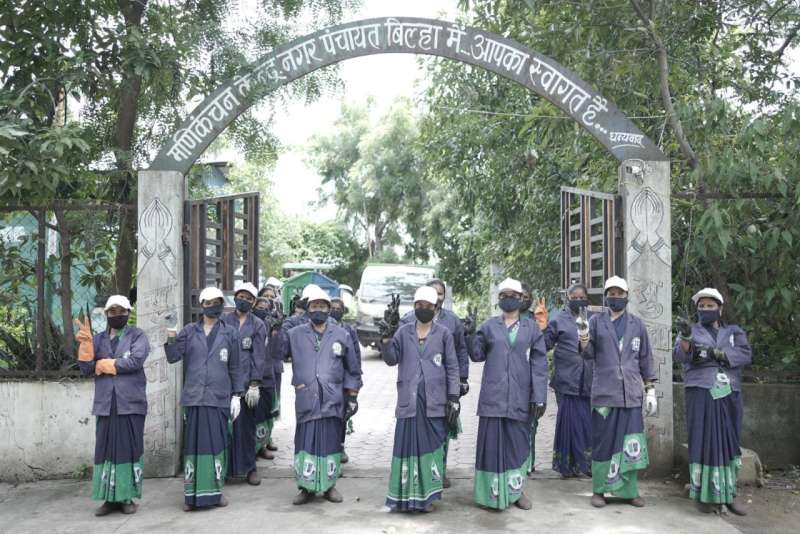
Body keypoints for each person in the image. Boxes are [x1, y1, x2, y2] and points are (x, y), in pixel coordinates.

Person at [466, 278, 547, 511]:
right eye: (503, 295)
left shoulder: (532, 328)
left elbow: (539, 364)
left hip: (520, 397)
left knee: (518, 446)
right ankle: (489, 494)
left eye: (513, 295)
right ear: (499, 299)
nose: (508, 299)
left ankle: (516, 491)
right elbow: (477, 355)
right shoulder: (489, 326)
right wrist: (469, 334)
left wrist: (539, 396)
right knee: (491, 448)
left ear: (521, 299)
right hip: (493, 398)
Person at [578, 276, 656, 508]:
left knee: (630, 443)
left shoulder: (636, 324)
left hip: (630, 394)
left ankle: (630, 492)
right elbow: (587, 354)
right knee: (603, 442)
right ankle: (599, 491)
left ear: (627, 296)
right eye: (611, 294)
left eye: (619, 293)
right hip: (605, 392)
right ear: (606, 297)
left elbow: (645, 358)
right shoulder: (595, 322)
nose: (615, 297)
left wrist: (650, 389)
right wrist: (583, 337)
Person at [165, 286, 245, 511]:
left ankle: (215, 493)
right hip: (194, 398)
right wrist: (171, 332)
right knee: (193, 448)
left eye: (217, 302)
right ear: (202, 305)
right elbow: (173, 357)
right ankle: (191, 497)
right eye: (209, 303)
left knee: (216, 446)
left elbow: (236, 366)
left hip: (218, 398)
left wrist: (237, 395)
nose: (213, 306)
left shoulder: (230, 332)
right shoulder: (189, 331)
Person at [673, 288, 751, 515]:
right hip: (701, 392)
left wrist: (718, 354)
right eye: (701, 306)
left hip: (730, 392)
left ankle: (729, 494)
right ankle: (703, 495)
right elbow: (681, 355)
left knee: (729, 442)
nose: (705, 309)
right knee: (703, 440)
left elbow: (745, 354)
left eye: (710, 306)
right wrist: (685, 337)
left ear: (720, 308)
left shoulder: (734, 331)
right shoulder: (691, 330)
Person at [381, 286, 460, 512]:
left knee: (432, 449)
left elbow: (452, 367)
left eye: (428, 306)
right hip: (409, 401)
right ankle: (405, 498)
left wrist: (453, 396)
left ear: (435, 308)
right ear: (414, 307)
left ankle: (427, 498)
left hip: (435, 402)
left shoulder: (444, 334)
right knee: (406, 448)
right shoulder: (403, 332)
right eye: (419, 305)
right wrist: (386, 338)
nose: (423, 309)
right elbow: (391, 359)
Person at [284, 286, 362, 505]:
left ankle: (329, 486)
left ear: (329, 309)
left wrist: (352, 396)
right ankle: (305, 488)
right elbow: (277, 353)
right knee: (305, 442)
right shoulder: (295, 333)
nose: (318, 309)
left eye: (322, 306)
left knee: (330, 442)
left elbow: (353, 368)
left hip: (332, 398)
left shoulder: (341, 334)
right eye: (314, 306)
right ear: (308, 309)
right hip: (306, 397)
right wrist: (276, 329)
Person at [76, 295, 149, 516]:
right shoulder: (98, 339)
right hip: (106, 404)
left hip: (130, 403)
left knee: (128, 449)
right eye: (112, 311)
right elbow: (86, 369)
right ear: (106, 314)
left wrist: (107, 364)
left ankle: (127, 497)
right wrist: (85, 347)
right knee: (105, 450)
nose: (117, 315)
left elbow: (135, 361)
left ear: (128, 312)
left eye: (121, 311)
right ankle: (108, 499)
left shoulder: (138, 335)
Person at [398, 279, 468, 488]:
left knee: (441, 431)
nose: (437, 296)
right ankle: (416, 476)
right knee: (416, 432)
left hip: (443, 386)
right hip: (414, 388)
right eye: (433, 292)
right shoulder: (407, 320)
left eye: (440, 293)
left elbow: (460, 351)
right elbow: (395, 350)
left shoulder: (452, 321)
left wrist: (462, 380)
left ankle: (439, 470)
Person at [543, 283, 593, 478]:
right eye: (574, 298)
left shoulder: (594, 319)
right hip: (566, 380)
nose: (578, 301)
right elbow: (545, 344)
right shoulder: (558, 320)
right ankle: (567, 466)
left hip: (588, 379)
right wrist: (542, 327)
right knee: (568, 423)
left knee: (586, 422)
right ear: (568, 299)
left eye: (582, 298)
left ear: (587, 299)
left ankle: (586, 464)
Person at [221, 282, 268, 486]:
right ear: (235, 297)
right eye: (241, 297)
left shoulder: (258, 325)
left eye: (249, 299)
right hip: (224, 383)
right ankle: (225, 469)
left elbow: (259, 356)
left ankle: (250, 469)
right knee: (224, 428)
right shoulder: (223, 320)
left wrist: (255, 384)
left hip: (247, 385)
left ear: (254, 302)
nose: (244, 301)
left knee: (246, 428)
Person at [330, 296, 362, 464]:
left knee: (343, 415)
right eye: (332, 308)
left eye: (338, 309)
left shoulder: (349, 330)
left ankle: (340, 446)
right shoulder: (324, 328)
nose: (335, 311)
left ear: (343, 311)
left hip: (345, 380)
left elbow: (356, 356)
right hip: (329, 379)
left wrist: (356, 383)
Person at [520, 281, 548, 474]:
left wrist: (544, 328)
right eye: (519, 296)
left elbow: (544, 350)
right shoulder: (503, 320)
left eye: (526, 297)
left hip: (531, 382)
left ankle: (528, 463)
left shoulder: (536, 318)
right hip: (511, 381)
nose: (522, 300)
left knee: (531, 425)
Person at [253, 296, 281, 460]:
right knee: (254, 414)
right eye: (260, 307)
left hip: (268, 375)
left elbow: (277, 350)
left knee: (266, 413)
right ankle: (254, 448)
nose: (262, 310)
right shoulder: (250, 324)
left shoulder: (271, 325)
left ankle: (263, 444)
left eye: (266, 308)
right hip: (253, 377)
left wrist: (277, 329)